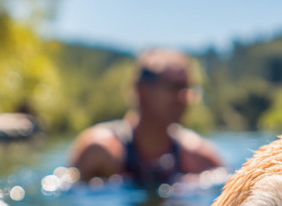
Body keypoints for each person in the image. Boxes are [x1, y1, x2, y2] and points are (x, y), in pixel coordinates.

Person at [68, 49, 224, 185]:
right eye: (174, 87)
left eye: (187, 89)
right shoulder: (99, 151)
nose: (184, 99)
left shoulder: (201, 159)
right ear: (142, 91)